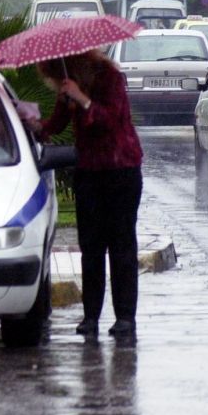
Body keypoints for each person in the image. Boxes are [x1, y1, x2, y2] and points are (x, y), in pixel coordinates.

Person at [30, 49, 143, 340]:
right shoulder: (69, 85)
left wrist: (82, 99)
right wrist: (36, 125)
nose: (58, 82)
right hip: (89, 172)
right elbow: (57, 124)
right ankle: (91, 316)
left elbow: (111, 120)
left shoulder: (110, 79)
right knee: (91, 248)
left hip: (121, 170)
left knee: (121, 246)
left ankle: (125, 318)